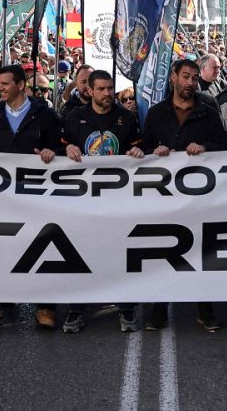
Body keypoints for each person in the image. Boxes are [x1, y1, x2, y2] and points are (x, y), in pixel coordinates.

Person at [0, 64, 64, 330]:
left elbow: (59, 144)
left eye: (5, 84)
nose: (0, 88)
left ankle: (45, 307)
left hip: (36, 194)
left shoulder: (45, 114)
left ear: (21, 85)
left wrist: (51, 151)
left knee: (40, 245)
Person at [143, 58, 227, 333]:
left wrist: (203, 146)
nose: (190, 82)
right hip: (163, 197)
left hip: (198, 198)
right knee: (162, 251)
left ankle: (205, 309)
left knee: (201, 253)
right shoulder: (156, 114)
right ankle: (158, 310)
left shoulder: (209, 113)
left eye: (193, 78)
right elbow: (141, 149)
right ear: (173, 78)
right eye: (185, 77)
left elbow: (224, 147)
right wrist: (153, 152)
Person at [62, 69, 143, 333]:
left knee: (120, 254)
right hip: (82, 200)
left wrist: (137, 150)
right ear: (90, 91)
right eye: (101, 89)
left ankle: (126, 307)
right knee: (80, 253)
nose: (107, 94)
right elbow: (57, 144)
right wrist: (66, 148)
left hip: (118, 200)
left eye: (110, 88)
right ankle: (77, 309)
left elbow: (141, 146)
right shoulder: (75, 117)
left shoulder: (125, 117)